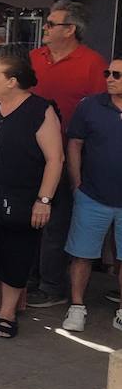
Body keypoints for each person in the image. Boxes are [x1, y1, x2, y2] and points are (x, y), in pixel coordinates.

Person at [0, 55, 64, 339]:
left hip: (23, 196)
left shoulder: (40, 110)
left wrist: (43, 200)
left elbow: (55, 159)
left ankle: (7, 312)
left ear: (13, 81)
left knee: (16, 255)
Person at [27, 0, 107, 308]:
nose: (44, 28)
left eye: (51, 23)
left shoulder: (92, 63)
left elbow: (101, 111)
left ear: (70, 29)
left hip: (69, 155)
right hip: (31, 153)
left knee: (57, 221)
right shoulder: (35, 57)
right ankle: (29, 276)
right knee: (29, 217)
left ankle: (51, 285)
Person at [60, 59, 122, 333]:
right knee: (81, 254)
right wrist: (77, 183)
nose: (109, 78)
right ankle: (76, 306)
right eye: (107, 73)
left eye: (117, 74)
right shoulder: (90, 105)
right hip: (92, 194)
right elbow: (75, 143)